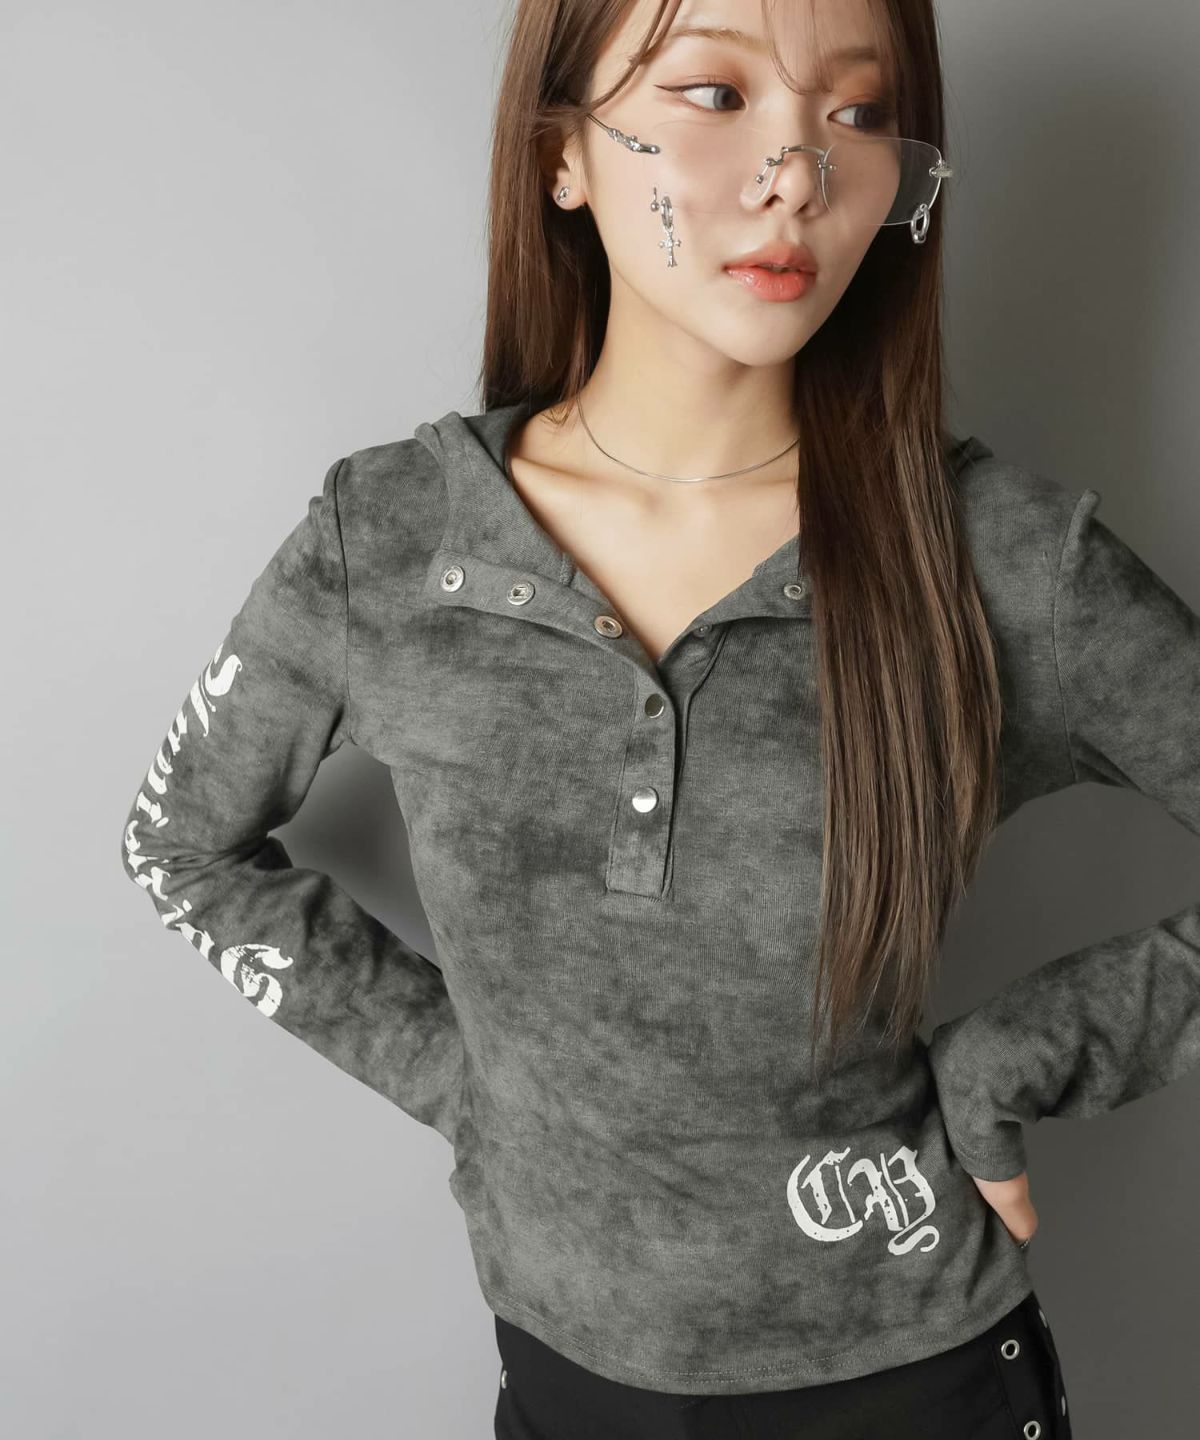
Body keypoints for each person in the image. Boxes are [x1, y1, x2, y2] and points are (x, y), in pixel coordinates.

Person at [118, 0, 1198, 1436]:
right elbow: (178, 845)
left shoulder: (997, 561)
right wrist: (469, 1085)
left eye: (858, 114)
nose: (796, 174)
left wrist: (1032, 1053)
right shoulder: (389, 540)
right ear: (561, 155)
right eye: (714, 93)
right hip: (565, 1379)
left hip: (921, 1374)